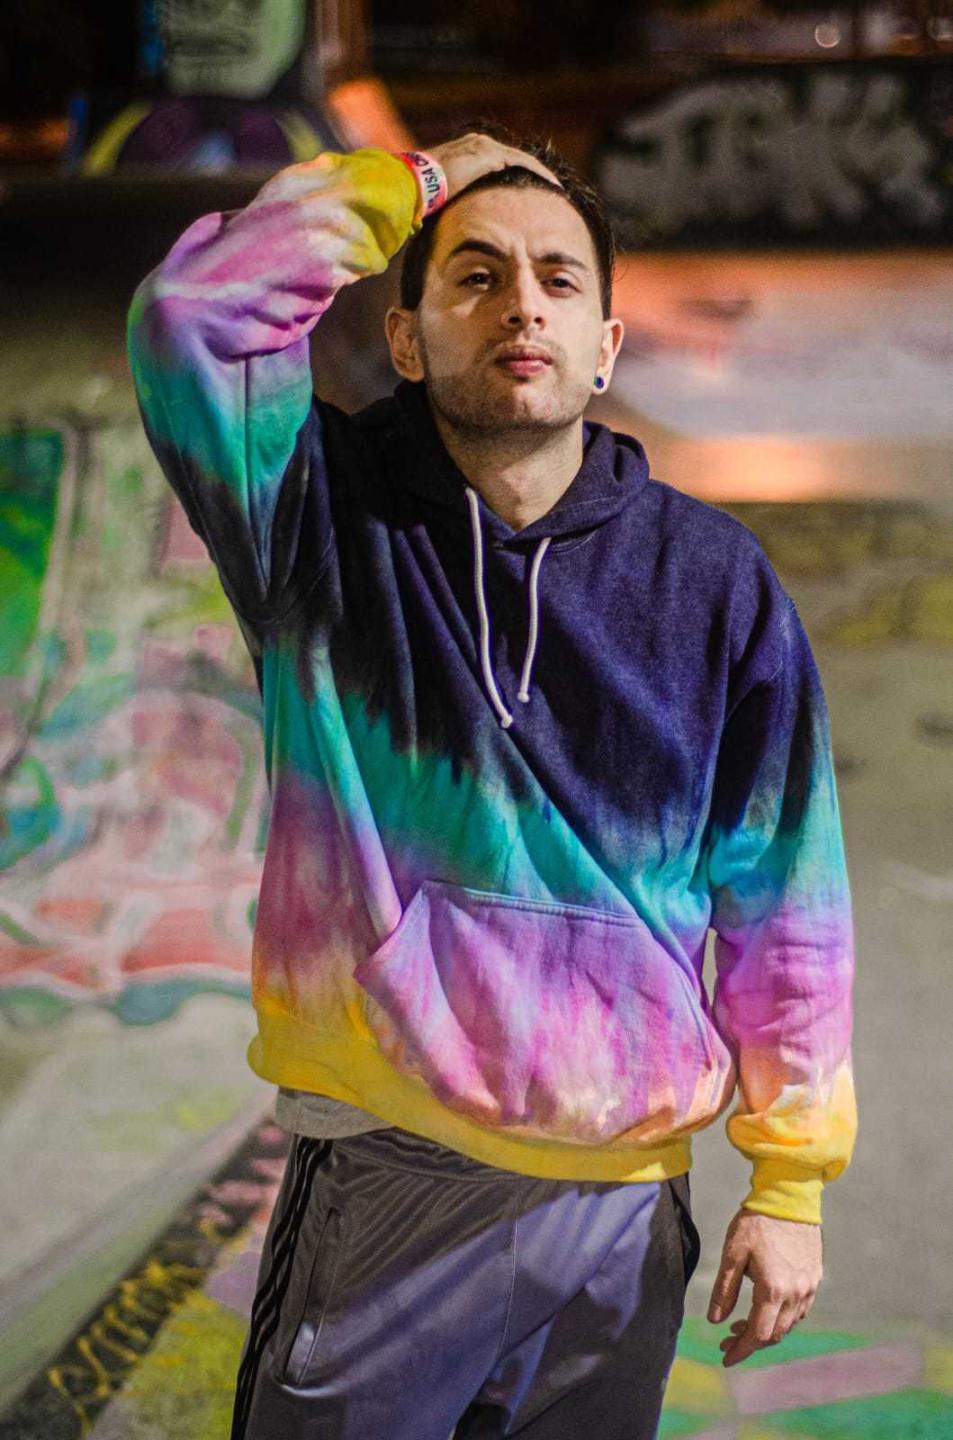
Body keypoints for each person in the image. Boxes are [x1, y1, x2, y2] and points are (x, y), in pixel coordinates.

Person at [127, 128, 857, 1440]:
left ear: (604, 347)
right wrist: (422, 174)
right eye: (475, 275)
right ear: (404, 339)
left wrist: (789, 1183)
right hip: (389, 1180)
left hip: (622, 1208)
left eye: (558, 280)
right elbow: (193, 313)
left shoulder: (714, 583)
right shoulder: (311, 516)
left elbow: (785, 901)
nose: (522, 303)